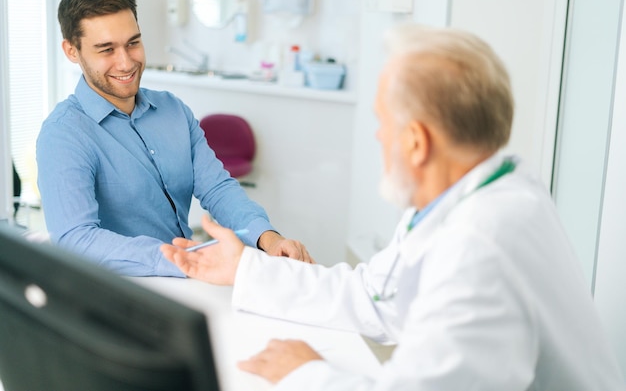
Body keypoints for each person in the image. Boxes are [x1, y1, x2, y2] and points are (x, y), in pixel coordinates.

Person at [161, 24, 625, 389]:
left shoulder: (483, 245)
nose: (380, 136)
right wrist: (246, 269)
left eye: (383, 122)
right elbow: (376, 296)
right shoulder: (482, 197)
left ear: (417, 142)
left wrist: (305, 372)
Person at [36, 0, 312, 278]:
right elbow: (77, 239)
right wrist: (182, 260)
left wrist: (268, 239)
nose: (126, 62)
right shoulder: (63, 135)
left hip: (188, 278)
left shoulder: (173, 110)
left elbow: (217, 188)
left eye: (133, 43)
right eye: (106, 49)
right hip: (123, 290)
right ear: (71, 50)